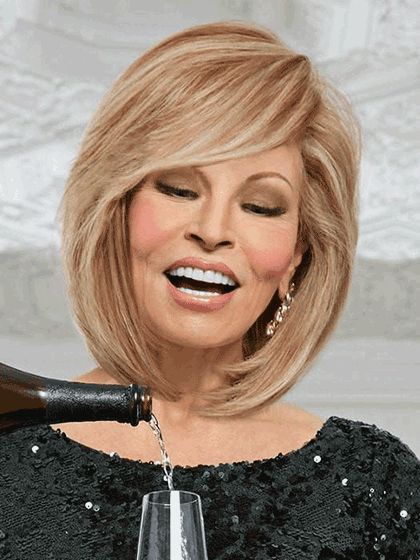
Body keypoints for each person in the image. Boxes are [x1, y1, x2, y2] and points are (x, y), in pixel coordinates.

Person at [0, 20, 419, 560]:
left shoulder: (373, 486)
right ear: (117, 212)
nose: (214, 229)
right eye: (179, 189)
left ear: (296, 256)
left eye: (261, 206)